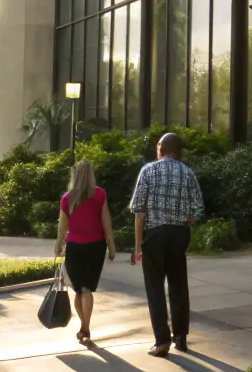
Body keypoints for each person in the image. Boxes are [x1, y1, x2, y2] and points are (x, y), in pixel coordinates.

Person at [129, 132, 204, 357]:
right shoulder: (187, 172)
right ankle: (180, 337)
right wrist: (189, 218)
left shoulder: (148, 171)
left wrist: (137, 246)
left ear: (164, 148)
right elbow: (199, 209)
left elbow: (138, 211)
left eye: (159, 145)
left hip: (155, 234)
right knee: (178, 285)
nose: (156, 148)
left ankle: (161, 341)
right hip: (179, 234)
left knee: (155, 287)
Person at [55, 159, 115, 344]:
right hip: (96, 246)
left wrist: (58, 245)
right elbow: (107, 224)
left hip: (75, 247)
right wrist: (111, 246)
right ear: (91, 176)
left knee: (79, 290)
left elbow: (62, 227)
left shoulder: (67, 198)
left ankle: (84, 326)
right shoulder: (99, 195)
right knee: (87, 288)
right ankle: (85, 326)